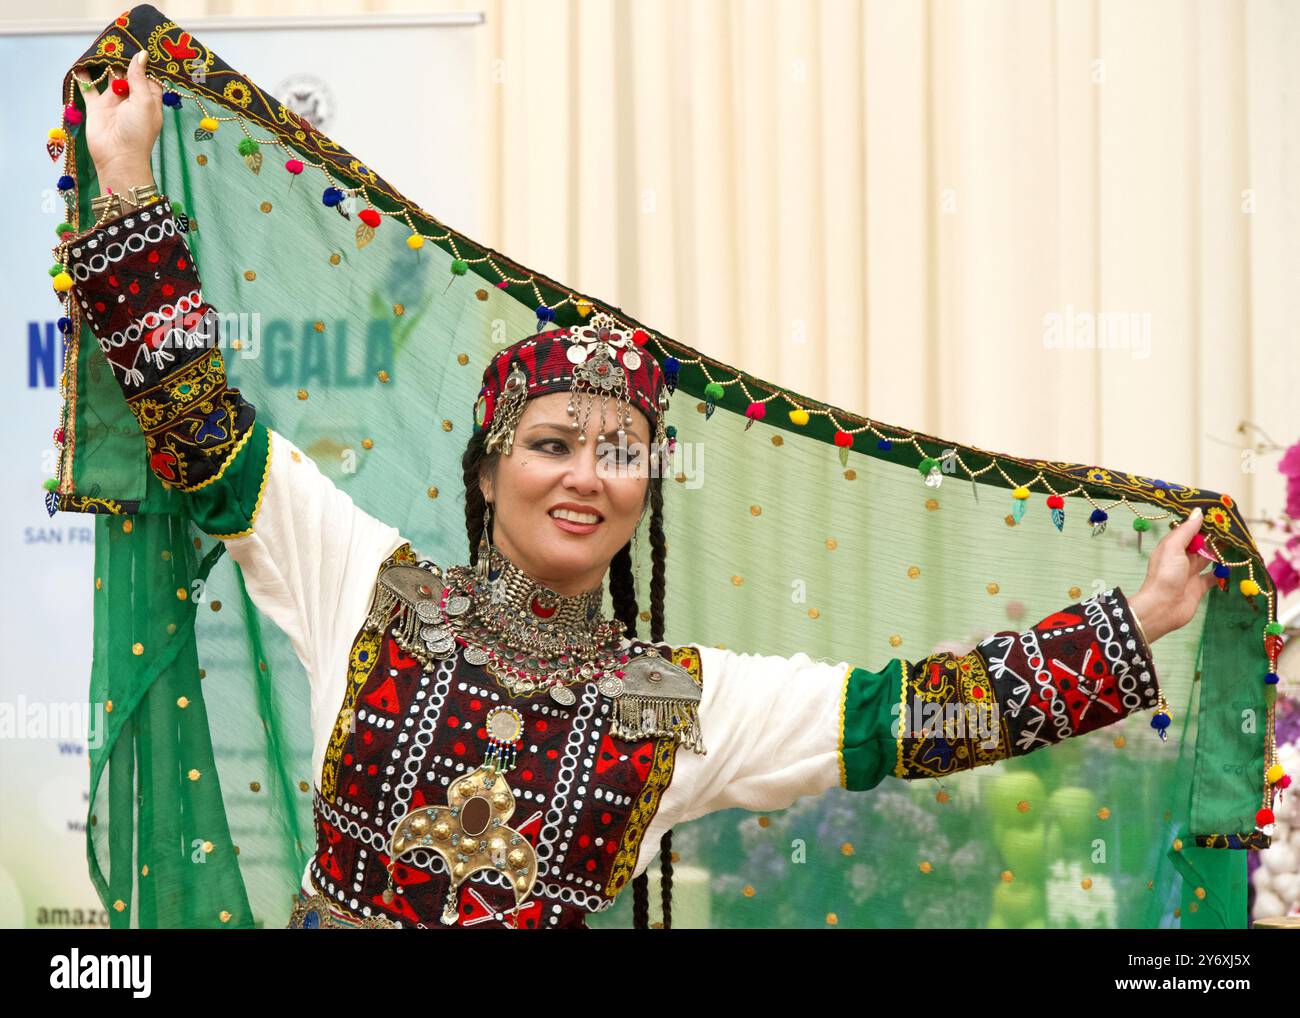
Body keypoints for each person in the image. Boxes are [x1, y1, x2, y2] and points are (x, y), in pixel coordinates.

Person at [60, 49, 1219, 930]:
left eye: (620, 453)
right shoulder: (374, 591)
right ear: (488, 468)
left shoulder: (670, 701)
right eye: (555, 441)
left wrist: (1139, 624)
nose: (585, 475)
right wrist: (124, 176)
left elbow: (913, 714)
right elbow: (200, 427)